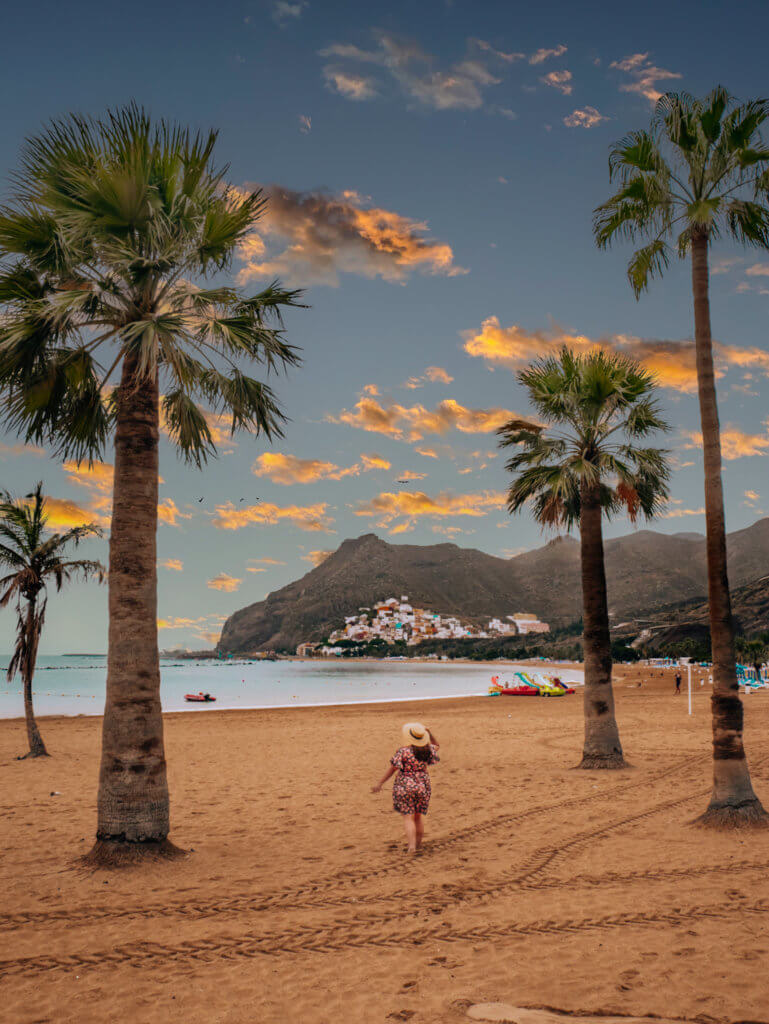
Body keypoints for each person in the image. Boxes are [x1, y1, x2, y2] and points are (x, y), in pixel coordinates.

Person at [372, 722, 440, 854]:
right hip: (422, 785)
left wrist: (380, 783)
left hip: (405, 785)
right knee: (418, 817)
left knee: (408, 818)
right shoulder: (427, 750)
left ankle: (412, 847)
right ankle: (418, 845)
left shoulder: (403, 752)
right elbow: (437, 745)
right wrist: (429, 732)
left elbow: (392, 769)